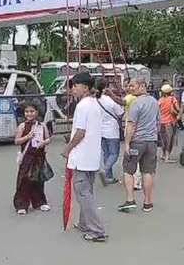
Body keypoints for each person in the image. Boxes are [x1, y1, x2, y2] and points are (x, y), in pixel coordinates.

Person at [63, 72, 108, 242]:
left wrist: (67, 149)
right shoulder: (95, 104)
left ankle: (97, 230)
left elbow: (80, 132)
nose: (73, 89)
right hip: (91, 156)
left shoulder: (82, 106)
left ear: (86, 88)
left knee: (83, 193)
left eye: (76, 86)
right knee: (87, 191)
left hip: (81, 157)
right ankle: (84, 223)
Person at [118, 76, 160, 213]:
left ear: (142, 86)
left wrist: (127, 143)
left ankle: (130, 199)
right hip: (151, 141)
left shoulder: (135, 104)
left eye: (133, 86)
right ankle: (147, 202)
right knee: (147, 172)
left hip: (137, 141)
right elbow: (158, 122)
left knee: (128, 170)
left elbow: (131, 125)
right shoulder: (154, 102)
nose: (130, 88)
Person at [13, 101, 52, 215]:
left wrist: (43, 142)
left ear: (37, 112)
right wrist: (27, 137)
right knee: (24, 180)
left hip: (39, 156)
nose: (29, 114)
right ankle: (21, 204)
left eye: (32, 111)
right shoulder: (22, 126)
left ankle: (39, 202)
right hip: (27, 157)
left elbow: (48, 138)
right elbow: (17, 141)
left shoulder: (42, 125)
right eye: (27, 111)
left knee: (39, 180)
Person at [96, 81, 125, 185]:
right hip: (112, 130)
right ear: (106, 88)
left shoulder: (95, 100)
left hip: (100, 130)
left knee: (106, 153)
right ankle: (105, 169)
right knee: (114, 154)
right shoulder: (109, 100)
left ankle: (109, 177)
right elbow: (120, 113)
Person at [157, 83, 181, 163]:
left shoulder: (160, 100)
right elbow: (177, 108)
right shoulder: (172, 99)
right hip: (170, 121)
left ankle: (163, 154)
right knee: (169, 139)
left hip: (161, 122)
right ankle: (167, 157)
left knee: (163, 139)